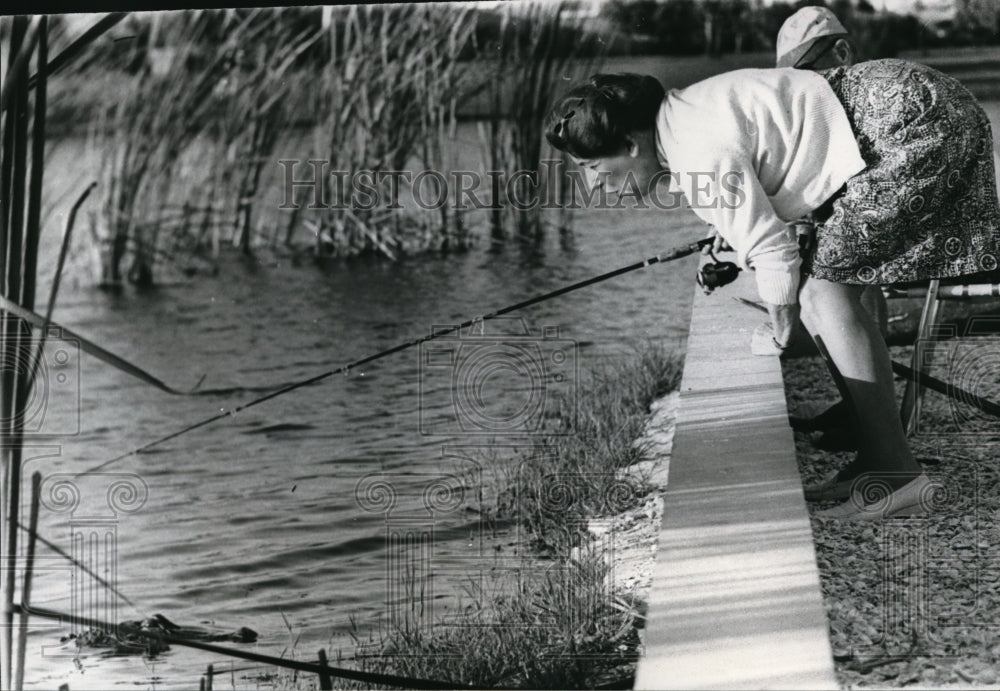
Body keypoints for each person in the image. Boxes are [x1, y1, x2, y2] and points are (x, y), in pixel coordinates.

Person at [544, 62, 1000, 519]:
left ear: (630, 143)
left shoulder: (695, 151)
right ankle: (876, 459)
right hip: (906, 107)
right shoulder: (682, 121)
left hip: (910, 122)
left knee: (822, 296)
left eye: (591, 166)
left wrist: (781, 326)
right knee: (827, 290)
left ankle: (897, 473)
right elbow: (775, 173)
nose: (592, 184)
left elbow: (773, 250)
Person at [776, 6, 889, 458]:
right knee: (838, 276)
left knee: (825, 290)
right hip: (874, 226)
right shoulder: (829, 103)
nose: (801, 88)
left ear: (842, 52)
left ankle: (872, 425)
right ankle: (861, 410)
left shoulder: (865, 96)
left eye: (806, 71)